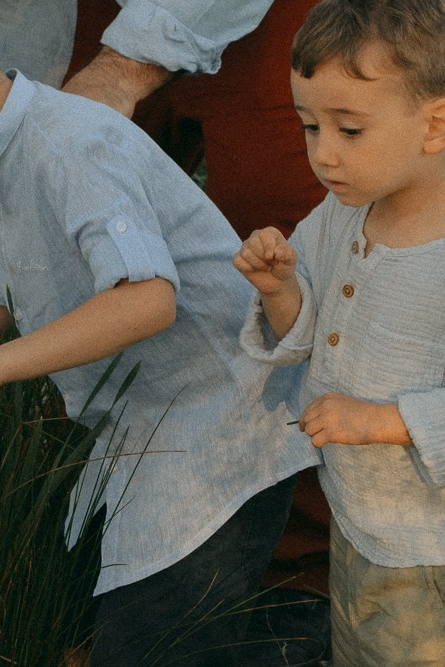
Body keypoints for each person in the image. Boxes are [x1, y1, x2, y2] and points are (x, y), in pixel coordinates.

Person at [0, 1, 320, 663]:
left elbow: (147, 300)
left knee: (159, 642)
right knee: (139, 628)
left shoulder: (71, 142)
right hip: (158, 430)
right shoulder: (2, 157)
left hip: (221, 436)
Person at [233, 0, 445, 662]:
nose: (323, 154)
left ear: (435, 123)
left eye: (349, 130)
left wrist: (384, 420)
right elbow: (308, 331)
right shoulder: (340, 213)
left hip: (426, 550)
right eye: (308, 126)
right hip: (358, 520)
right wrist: (282, 292)